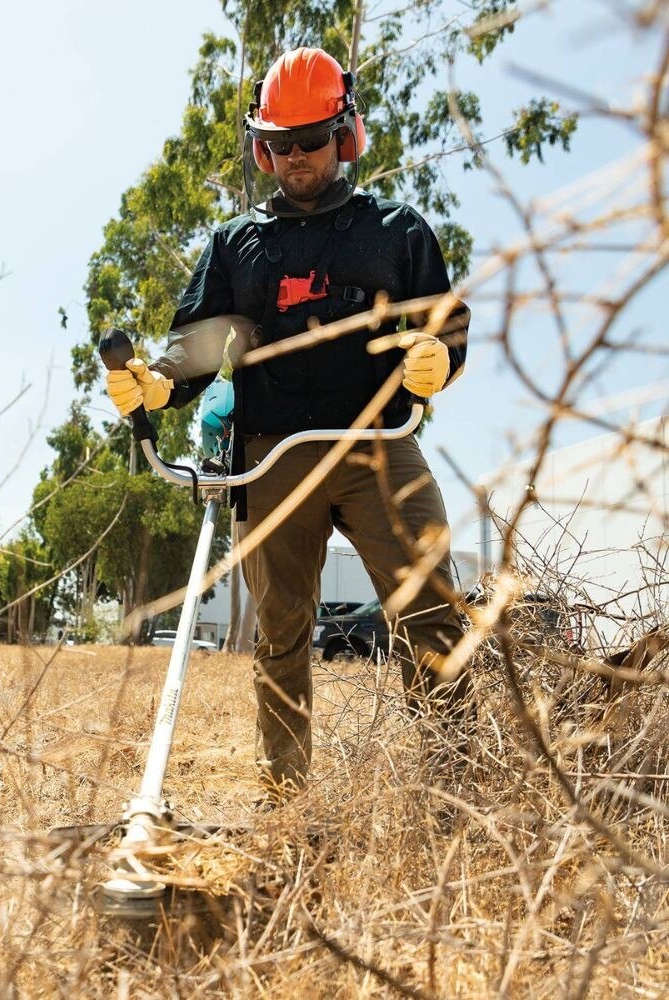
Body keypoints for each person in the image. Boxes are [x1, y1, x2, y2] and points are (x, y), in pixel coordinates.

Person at [106, 47, 472, 800]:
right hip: (273, 458)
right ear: (260, 147)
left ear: (346, 135)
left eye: (310, 139)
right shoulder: (237, 246)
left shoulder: (396, 231)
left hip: (379, 448)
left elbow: (443, 323)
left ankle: (453, 795)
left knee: (433, 615)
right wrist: (156, 382)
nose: (295, 157)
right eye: (279, 144)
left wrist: (440, 354)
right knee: (280, 636)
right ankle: (286, 801)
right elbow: (195, 348)